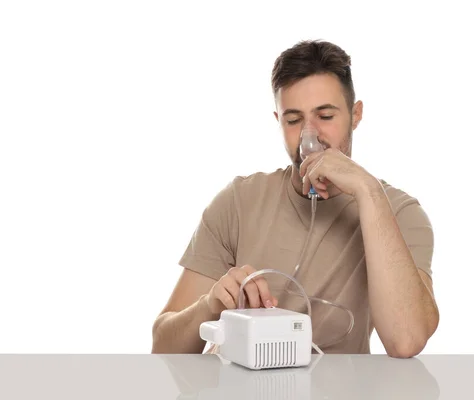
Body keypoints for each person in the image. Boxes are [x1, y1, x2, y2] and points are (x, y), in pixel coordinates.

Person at [151, 39, 439, 358]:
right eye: (293, 120)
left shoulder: (399, 213)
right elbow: (163, 349)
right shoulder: (238, 202)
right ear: (279, 121)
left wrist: (368, 191)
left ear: (355, 115)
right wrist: (211, 305)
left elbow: (407, 341)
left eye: (325, 116)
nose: (309, 136)